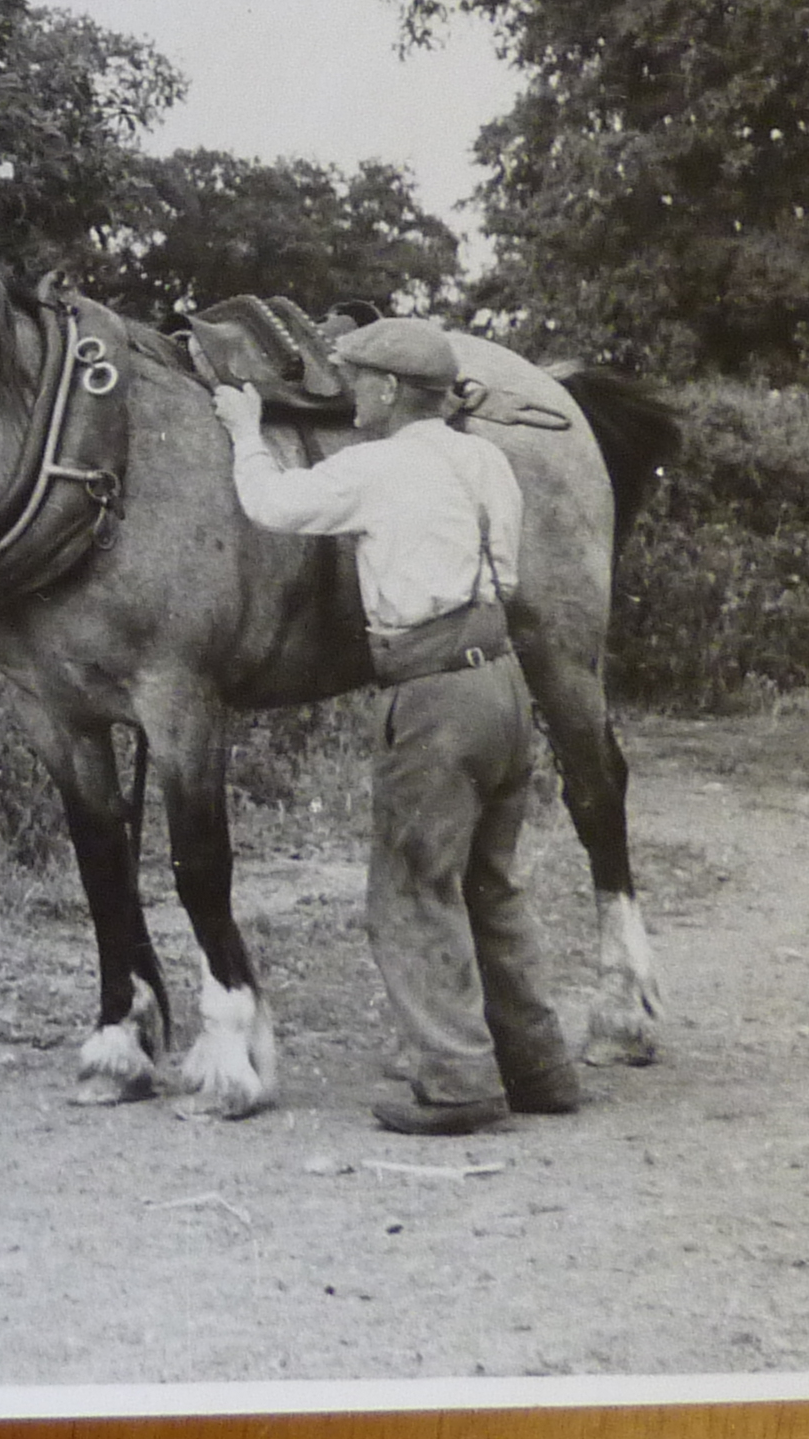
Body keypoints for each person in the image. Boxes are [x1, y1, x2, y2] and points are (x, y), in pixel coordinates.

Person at [214, 317, 583, 1137]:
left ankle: (455, 1082)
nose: (351, 395)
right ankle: (540, 1068)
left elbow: (270, 504)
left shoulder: (376, 468)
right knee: (492, 883)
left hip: (433, 697)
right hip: (502, 686)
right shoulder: (486, 459)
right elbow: (511, 575)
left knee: (413, 887)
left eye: (358, 381)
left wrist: (245, 431)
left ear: (386, 391)